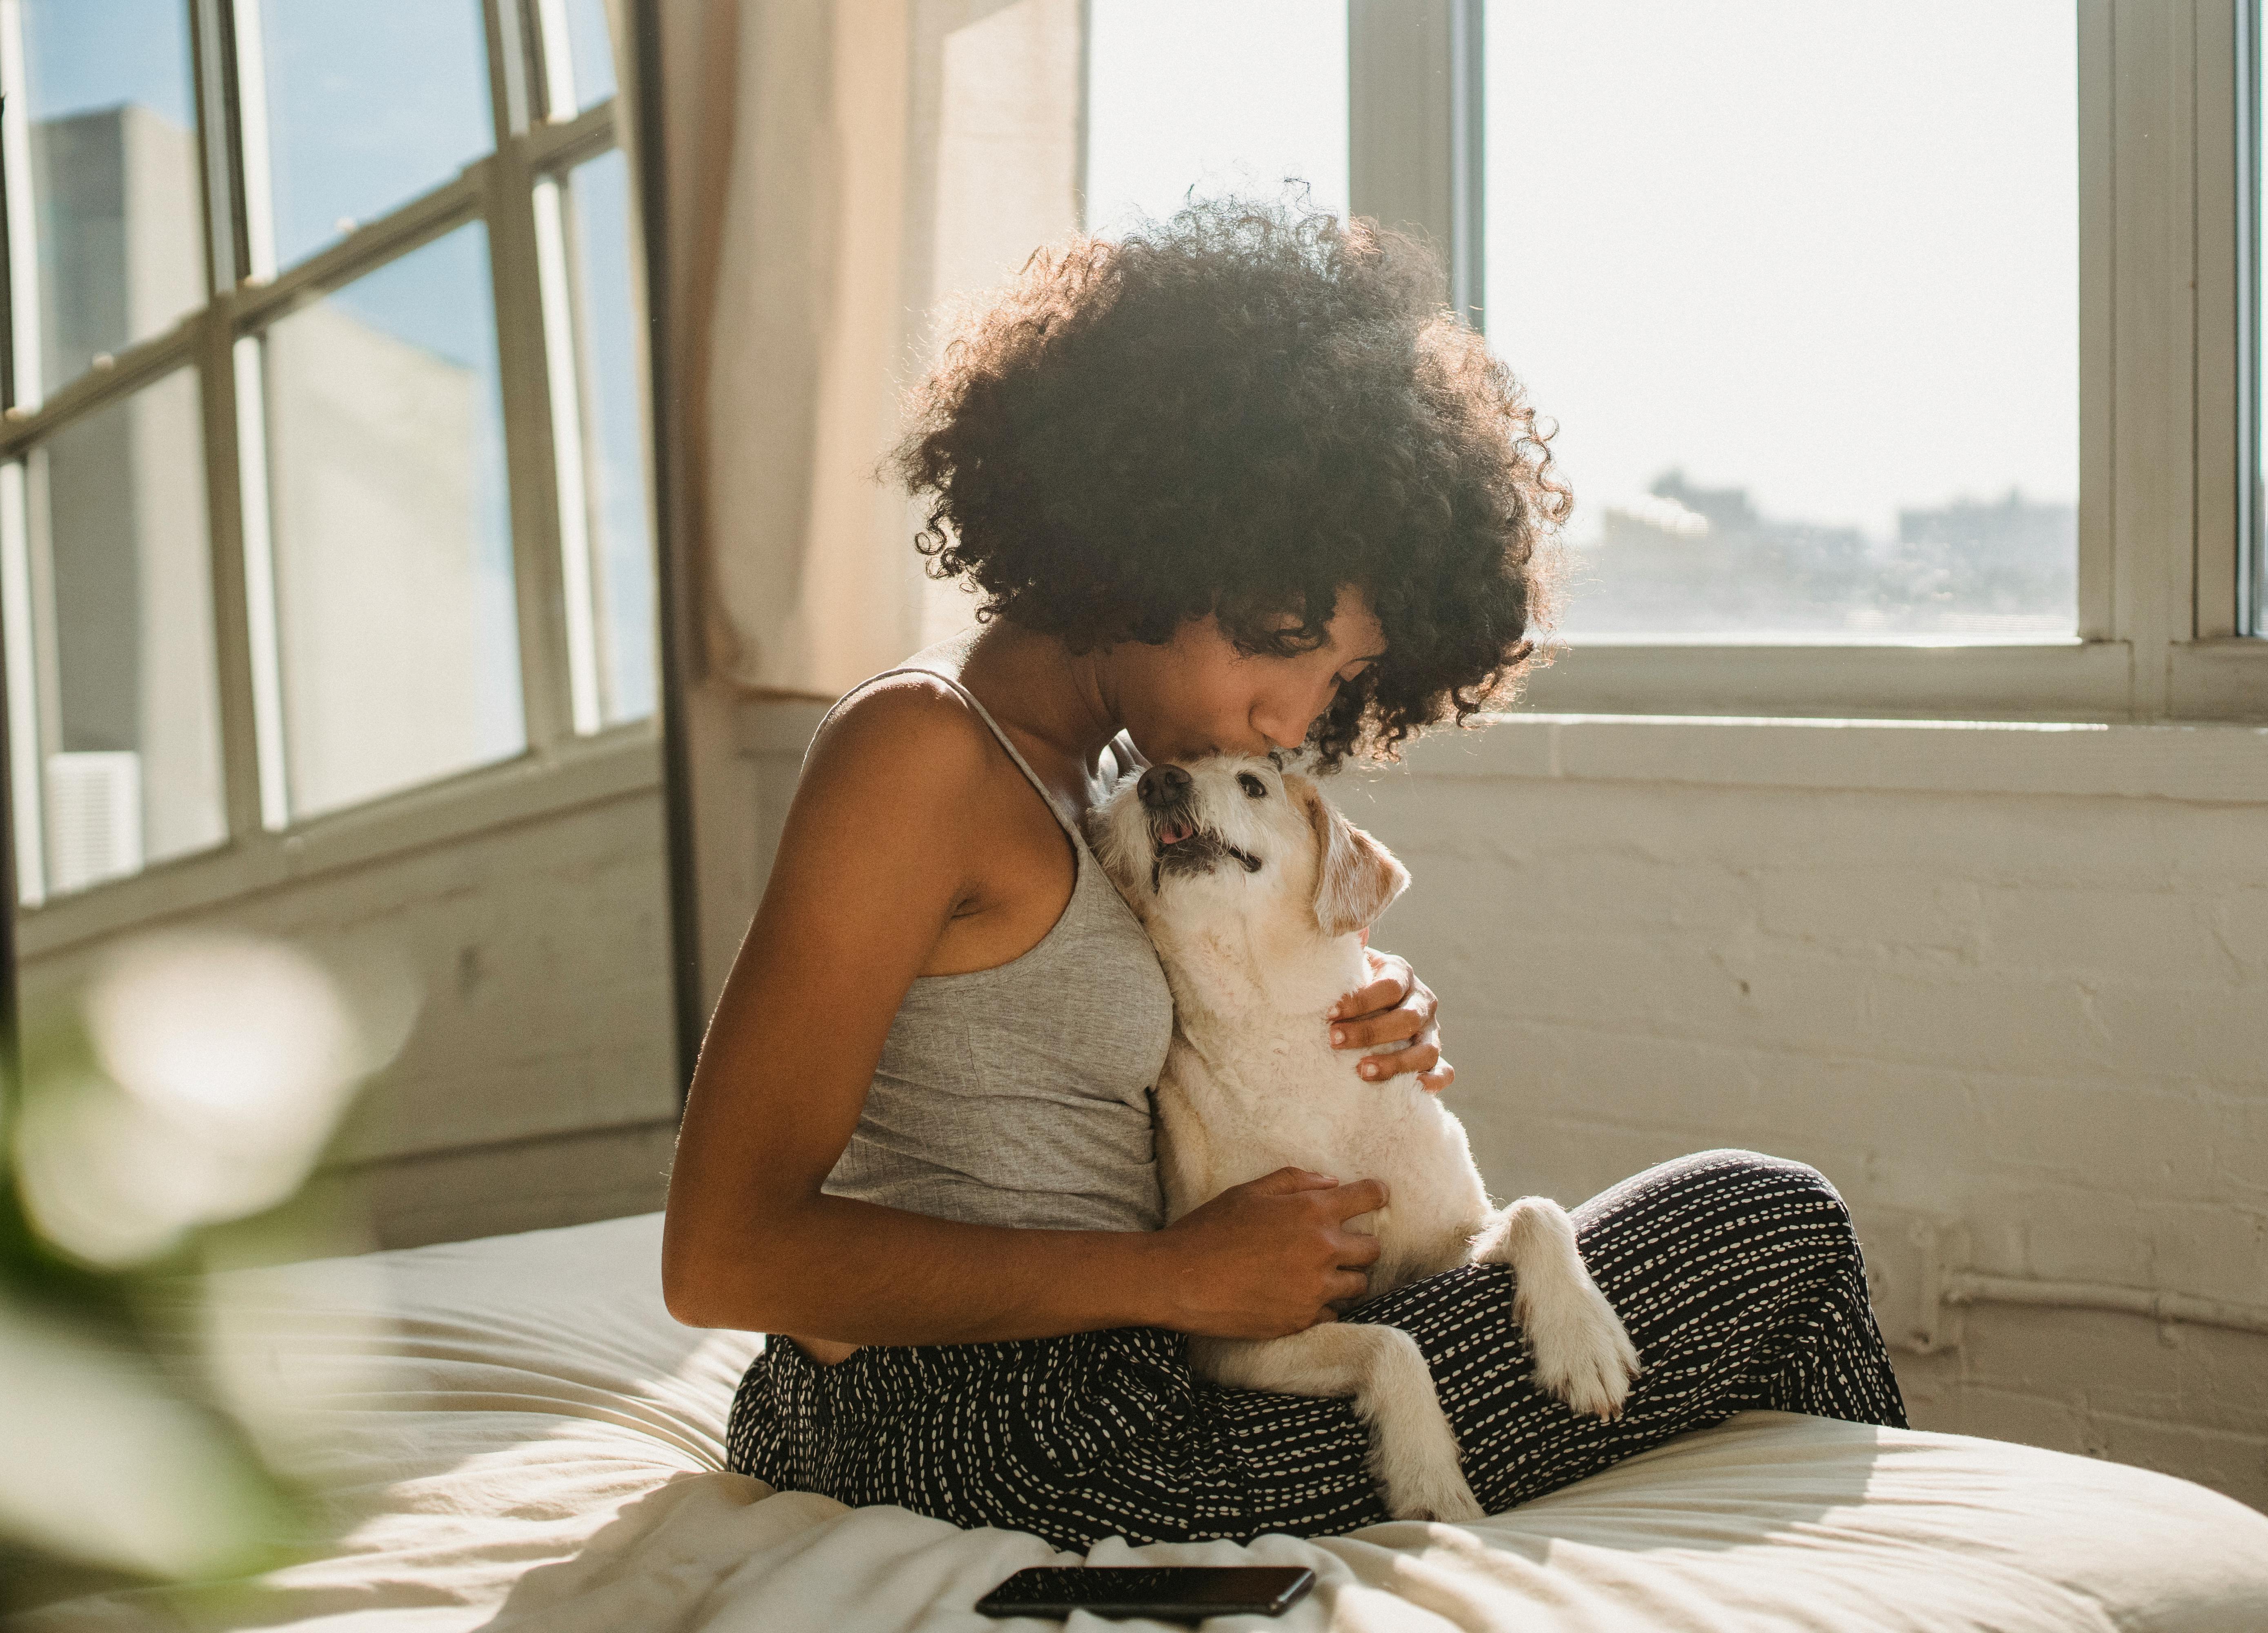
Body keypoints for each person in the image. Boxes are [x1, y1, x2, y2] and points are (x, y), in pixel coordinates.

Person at [662, 197, 1906, 1551]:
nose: (1295, 715)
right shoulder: (917, 752)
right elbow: (723, 1253)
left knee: (1731, 1240)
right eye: (1289, 640)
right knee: (1771, 1225)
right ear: (1162, 541)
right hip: (1006, 1436)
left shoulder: (1098, 797)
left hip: (1133, 1372)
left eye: (1343, 676)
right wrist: (1168, 1276)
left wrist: (1345, 1000)